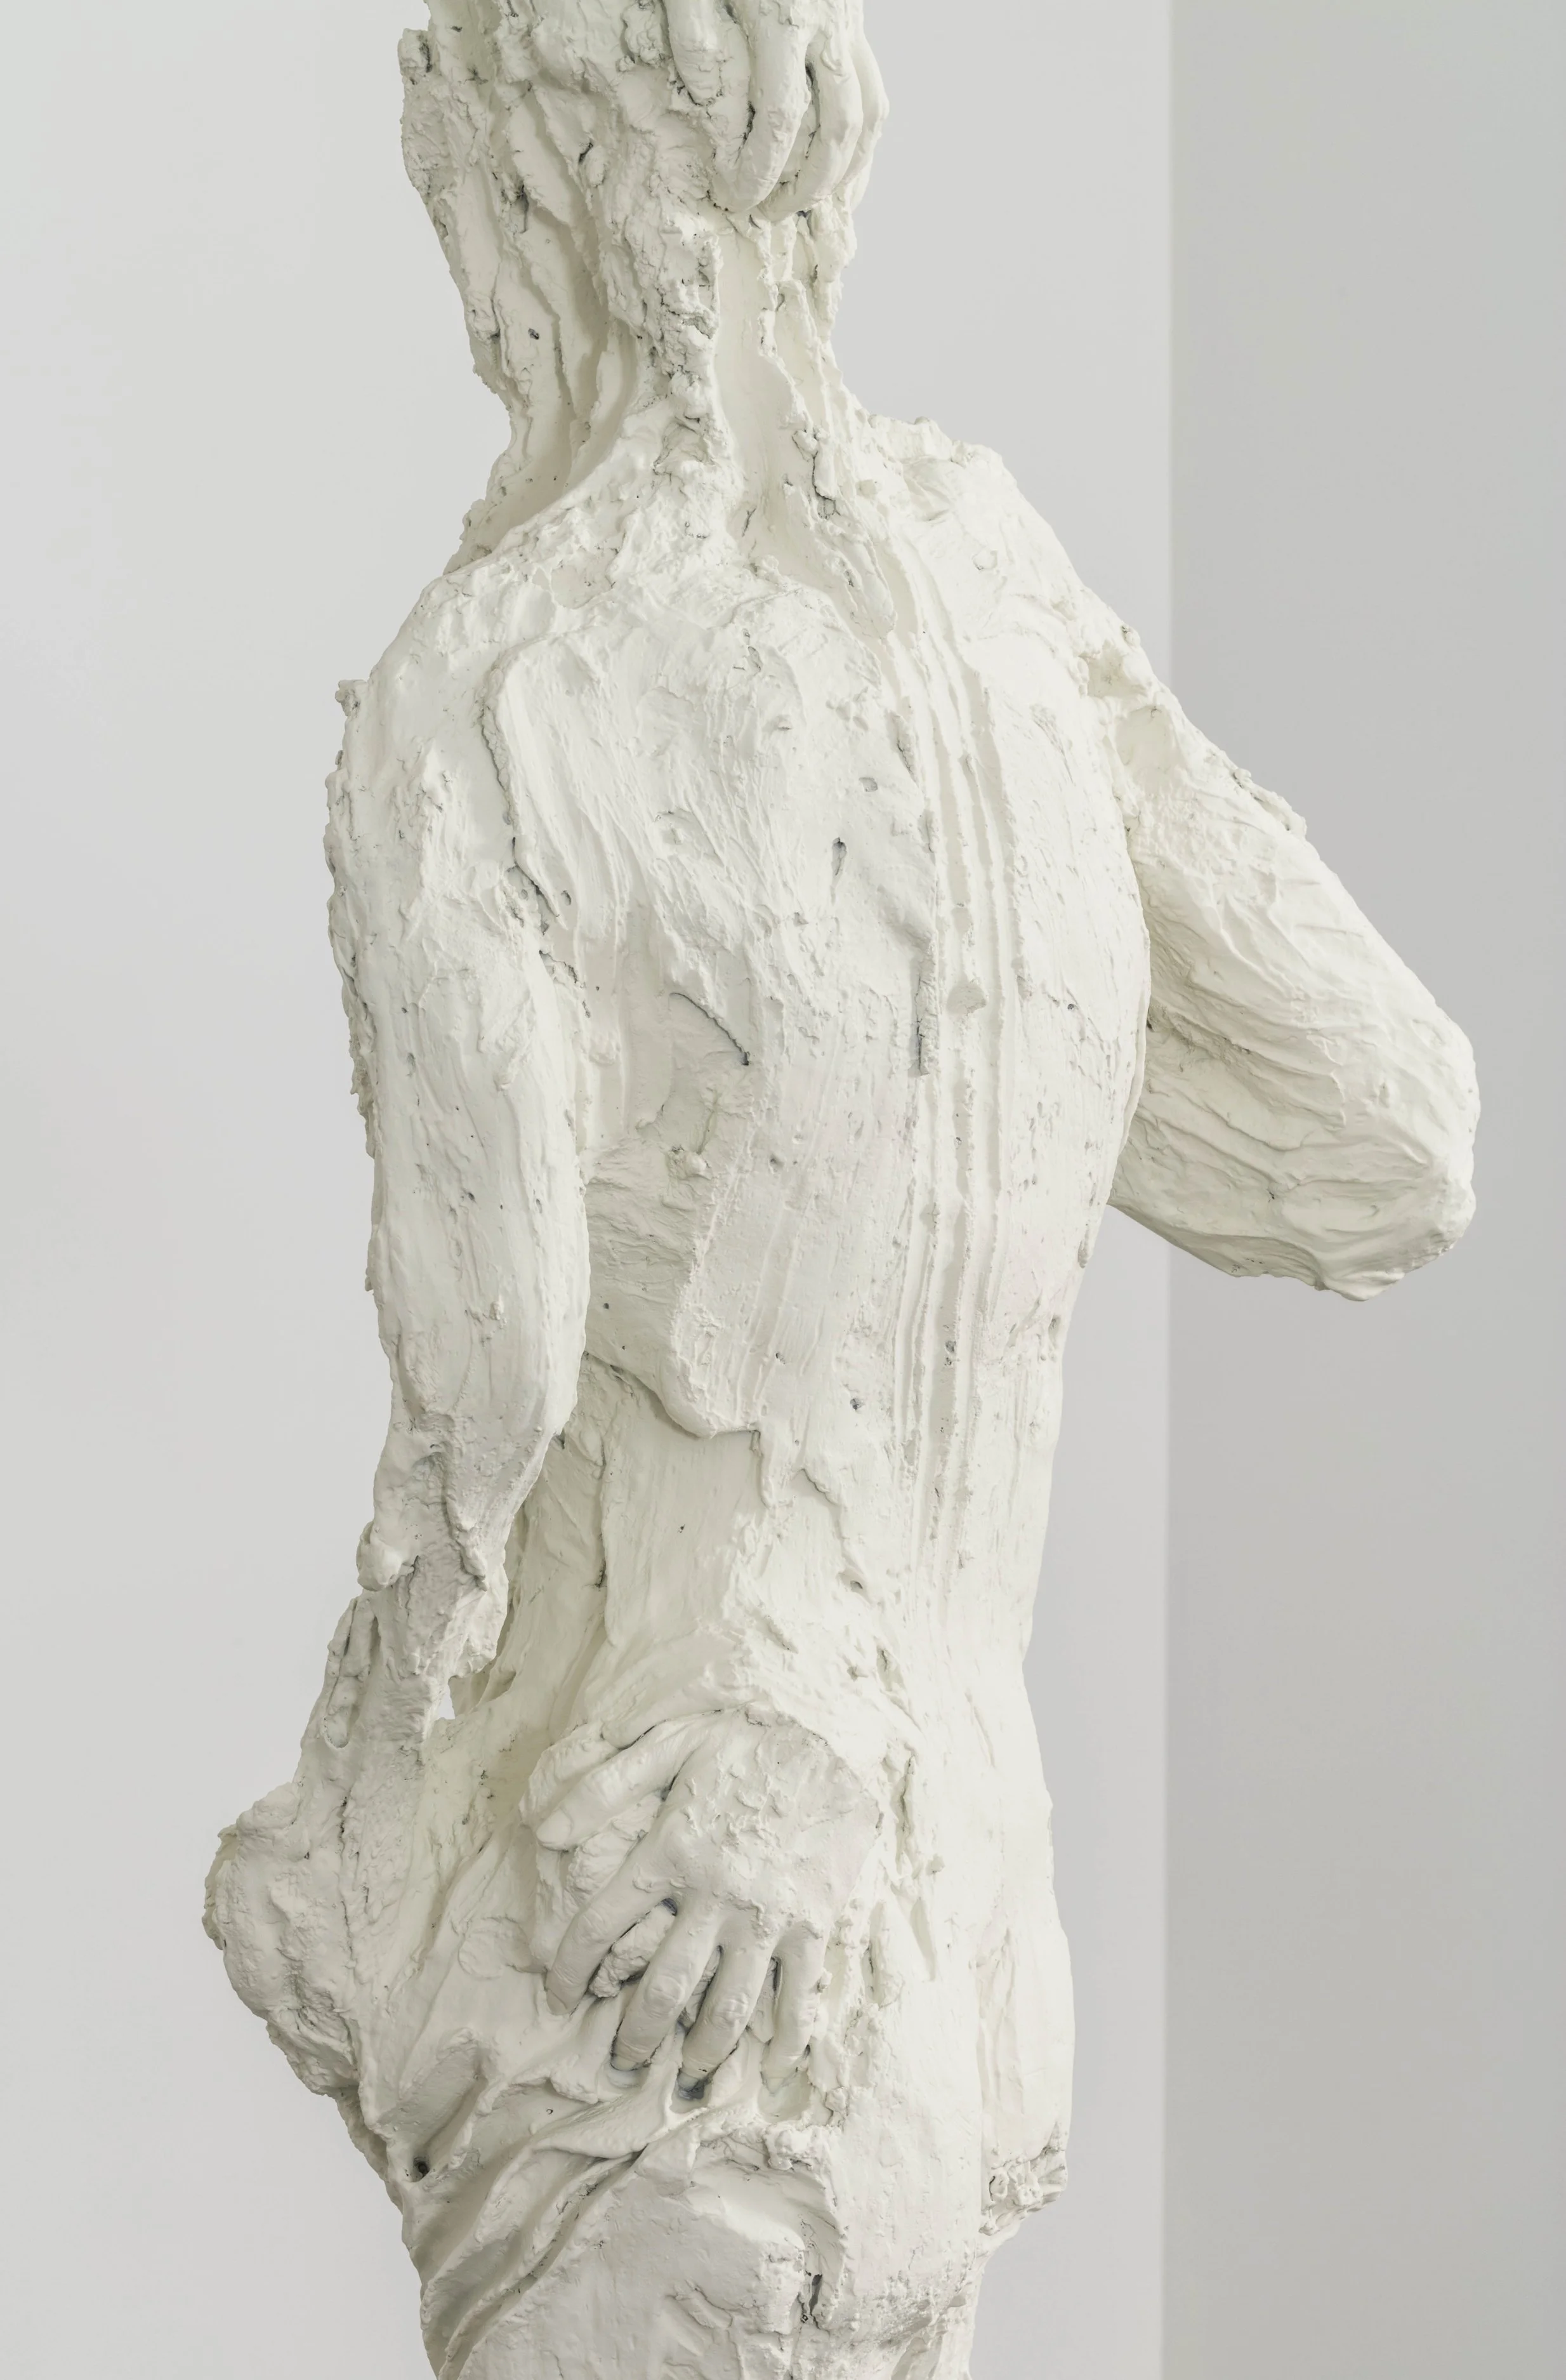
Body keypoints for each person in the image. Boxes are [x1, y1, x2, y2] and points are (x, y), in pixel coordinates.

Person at [207, 7, 1477, 2375]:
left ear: (532, 184)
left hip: (659, 1916)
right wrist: (986, 1044)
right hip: (961, 1908)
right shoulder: (996, 593)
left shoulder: (494, 680)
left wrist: (330, 1844)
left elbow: (477, 1419)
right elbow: (1383, 1129)